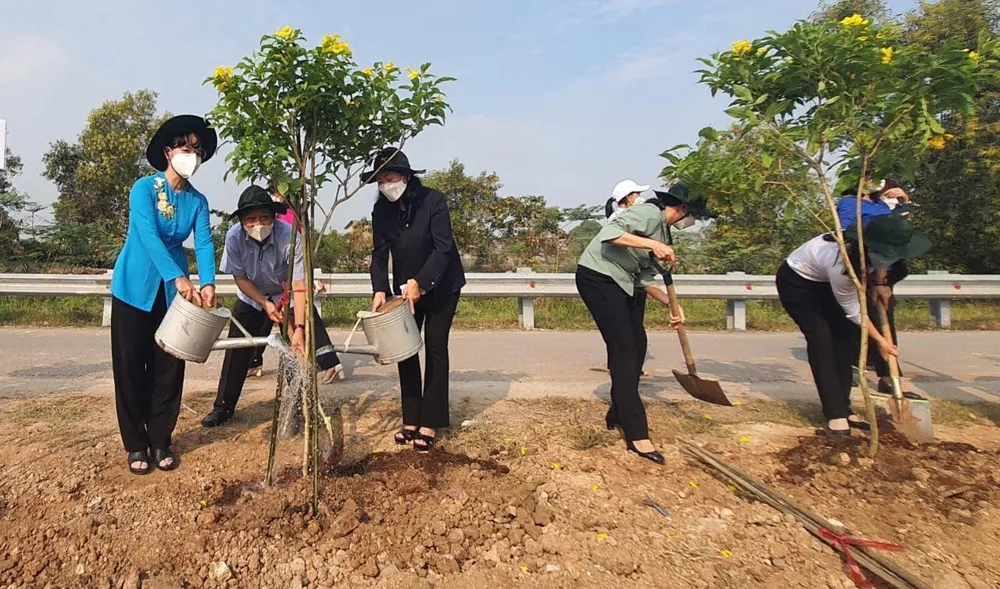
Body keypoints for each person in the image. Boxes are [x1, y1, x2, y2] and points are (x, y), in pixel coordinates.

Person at [110, 115, 218, 475]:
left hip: (174, 295)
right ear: (169, 152)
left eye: (197, 151)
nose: (192, 156)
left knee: (169, 366)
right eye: (186, 149)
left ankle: (160, 439)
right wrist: (178, 276)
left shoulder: (198, 201)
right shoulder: (143, 188)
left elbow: (203, 242)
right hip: (134, 287)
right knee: (130, 366)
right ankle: (135, 444)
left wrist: (207, 283)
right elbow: (147, 234)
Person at [575, 181, 705, 465]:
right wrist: (653, 244)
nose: (692, 222)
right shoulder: (649, 213)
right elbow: (609, 234)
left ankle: (618, 412)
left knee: (638, 344)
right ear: (682, 209)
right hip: (597, 277)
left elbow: (643, 279)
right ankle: (637, 435)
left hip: (621, 282)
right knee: (625, 350)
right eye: (693, 215)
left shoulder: (663, 231)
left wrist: (671, 304)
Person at [200, 186, 345, 428]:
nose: (258, 224)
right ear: (242, 221)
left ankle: (299, 408)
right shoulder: (234, 237)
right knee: (238, 350)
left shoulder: (290, 236)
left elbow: (299, 285)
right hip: (252, 297)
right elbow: (240, 279)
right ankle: (223, 407)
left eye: (265, 218)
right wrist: (263, 303)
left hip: (286, 295)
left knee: (296, 351)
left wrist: (298, 327)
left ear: (274, 217)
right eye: (251, 219)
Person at [776, 215, 931, 436]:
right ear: (869, 246)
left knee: (844, 341)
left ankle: (845, 409)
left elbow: (884, 263)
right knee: (822, 337)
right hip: (799, 284)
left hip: (830, 283)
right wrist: (880, 341)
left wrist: (880, 283)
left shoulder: (881, 251)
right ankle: (835, 415)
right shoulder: (842, 261)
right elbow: (854, 312)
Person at [366, 147, 466, 451]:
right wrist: (380, 288)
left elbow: (443, 247)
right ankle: (410, 418)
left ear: (406, 176)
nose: (385, 184)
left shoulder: (433, 200)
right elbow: (380, 252)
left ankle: (430, 422)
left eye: (390, 176)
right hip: (404, 290)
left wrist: (421, 283)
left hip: (442, 284)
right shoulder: (381, 210)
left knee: (435, 347)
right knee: (405, 349)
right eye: (380, 179)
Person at [244, 186, 342, 381]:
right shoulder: (287, 215)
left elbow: (295, 249)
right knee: (266, 319)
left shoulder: (287, 217)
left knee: (301, 320)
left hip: (289, 281)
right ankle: (255, 361)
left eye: (275, 193)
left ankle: (324, 362)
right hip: (271, 285)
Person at [604, 180, 652, 376]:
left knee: (625, 326)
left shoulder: (620, 217)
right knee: (628, 328)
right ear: (630, 197)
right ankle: (627, 366)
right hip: (626, 279)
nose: (640, 198)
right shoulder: (622, 219)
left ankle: (623, 364)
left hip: (630, 278)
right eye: (637, 194)